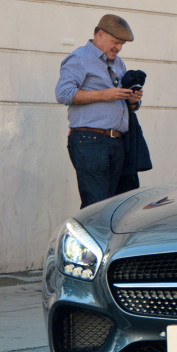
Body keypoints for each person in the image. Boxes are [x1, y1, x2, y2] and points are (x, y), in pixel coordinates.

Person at [55, 14, 143, 208]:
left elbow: (118, 100)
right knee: (96, 207)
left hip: (117, 142)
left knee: (114, 207)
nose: (118, 48)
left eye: (122, 44)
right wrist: (105, 95)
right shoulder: (80, 57)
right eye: (115, 42)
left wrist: (132, 101)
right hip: (90, 141)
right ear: (100, 34)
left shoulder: (118, 63)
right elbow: (63, 94)